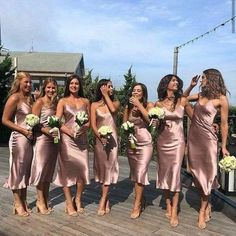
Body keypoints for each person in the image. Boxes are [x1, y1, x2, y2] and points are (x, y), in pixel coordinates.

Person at [186, 68, 229, 229]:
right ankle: (207, 202)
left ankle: (202, 211)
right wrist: (190, 86)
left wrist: (223, 146)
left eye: (203, 77)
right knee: (198, 176)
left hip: (209, 141)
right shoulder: (200, 95)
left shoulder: (222, 99)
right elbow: (183, 99)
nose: (201, 80)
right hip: (194, 139)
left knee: (208, 175)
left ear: (211, 78)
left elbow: (224, 124)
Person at [155, 74, 192, 227]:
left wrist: (211, 125)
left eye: (177, 81)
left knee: (176, 174)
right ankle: (168, 203)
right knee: (164, 173)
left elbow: (195, 118)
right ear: (166, 84)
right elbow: (155, 126)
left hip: (178, 142)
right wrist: (155, 121)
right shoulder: (158, 104)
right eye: (173, 81)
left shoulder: (183, 100)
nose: (176, 82)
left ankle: (175, 210)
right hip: (163, 141)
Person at [54, 74, 90, 216]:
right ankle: (69, 202)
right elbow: (57, 121)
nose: (74, 86)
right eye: (72, 83)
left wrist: (84, 128)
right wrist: (68, 131)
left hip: (81, 139)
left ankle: (78, 199)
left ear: (80, 86)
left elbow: (89, 122)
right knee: (67, 171)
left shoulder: (86, 101)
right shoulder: (62, 101)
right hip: (67, 140)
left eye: (77, 83)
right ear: (68, 85)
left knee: (82, 169)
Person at [2, 72, 34, 216]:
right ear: (19, 82)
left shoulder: (31, 98)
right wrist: (22, 130)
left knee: (26, 171)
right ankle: (17, 203)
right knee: (17, 170)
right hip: (18, 139)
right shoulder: (14, 98)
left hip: (30, 140)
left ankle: (24, 200)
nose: (28, 85)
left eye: (30, 82)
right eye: (26, 82)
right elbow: (5, 120)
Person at [123, 82, 154, 219]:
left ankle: (136, 205)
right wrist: (127, 131)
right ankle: (141, 198)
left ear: (143, 93)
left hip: (145, 142)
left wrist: (140, 106)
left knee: (141, 172)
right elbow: (124, 124)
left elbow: (150, 120)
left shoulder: (149, 104)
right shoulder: (128, 106)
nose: (136, 92)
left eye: (139, 91)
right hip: (132, 142)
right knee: (136, 174)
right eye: (134, 90)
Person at [30, 78, 59, 214]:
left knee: (48, 171)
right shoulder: (39, 102)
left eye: (53, 88)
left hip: (54, 141)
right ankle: (39, 201)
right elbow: (33, 123)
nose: (51, 90)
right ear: (44, 88)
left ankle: (46, 199)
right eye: (48, 87)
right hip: (42, 139)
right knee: (41, 170)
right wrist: (44, 130)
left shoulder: (56, 102)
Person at [91, 79, 120, 216]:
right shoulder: (94, 105)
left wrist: (106, 95)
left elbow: (113, 110)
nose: (111, 88)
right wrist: (100, 137)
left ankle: (102, 200)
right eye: (108, 86)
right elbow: (93, 124)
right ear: (102, 88)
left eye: (111, 86)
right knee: (103, 170)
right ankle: (106, 198)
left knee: (110, 169)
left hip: (113, 141)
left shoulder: (115, 102)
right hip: (99, 141)